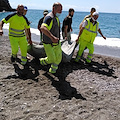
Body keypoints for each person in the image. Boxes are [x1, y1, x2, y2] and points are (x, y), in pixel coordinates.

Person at [40, 2, 62, 73]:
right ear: (53, 8)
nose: (60, 12)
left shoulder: (56, 18)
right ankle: (41, 62)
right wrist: (52, 37)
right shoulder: (49, 17)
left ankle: (52, 71)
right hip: (48, 42)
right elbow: (43, 28)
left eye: (61, 10)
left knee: (58, 58)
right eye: (59, 10)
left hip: (56, 42)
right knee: (52, 59)